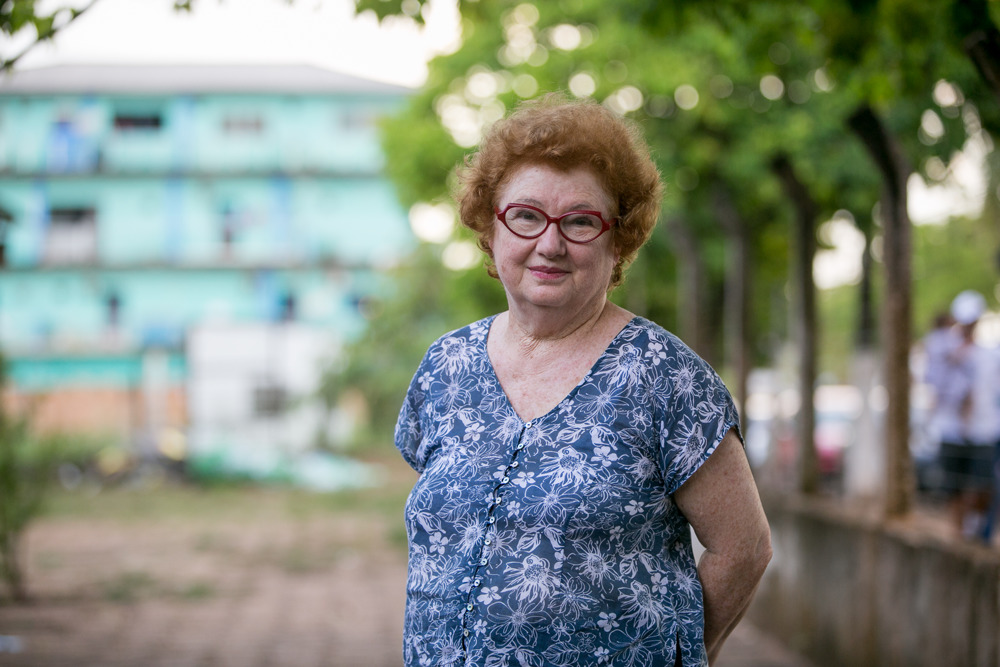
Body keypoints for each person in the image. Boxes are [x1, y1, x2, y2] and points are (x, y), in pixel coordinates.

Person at [394, 95, 772, 667]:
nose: (549, 244)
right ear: (490, 227)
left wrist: (682, 656)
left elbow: (743, 549)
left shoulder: (666, 377)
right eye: (525, 215)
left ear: (617, 238)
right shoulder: (445, 366)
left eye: (579, 220)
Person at [933, 290, 999, 540]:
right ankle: (958, 536)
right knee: (954, 489)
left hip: (983, 431)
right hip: (952, 431)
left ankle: (975, 531)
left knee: (982, 487)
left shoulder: (989, 355)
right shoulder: (942, 352)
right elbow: (935, 388)